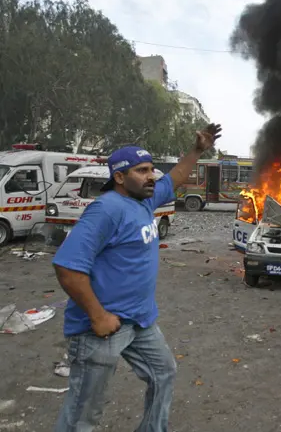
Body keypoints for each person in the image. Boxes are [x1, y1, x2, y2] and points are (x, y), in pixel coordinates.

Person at [52, 124, 222, 432]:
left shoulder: (144, 201)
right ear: (119, 177)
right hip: (102, 328)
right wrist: (98, 315)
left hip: (140, 322)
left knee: (164, 373)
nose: (151, 176)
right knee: (83, 413)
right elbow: (67, 266)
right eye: (142, 170)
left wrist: (198, 150)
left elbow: (176, 178)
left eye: (152, 169)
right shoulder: (106, 210)